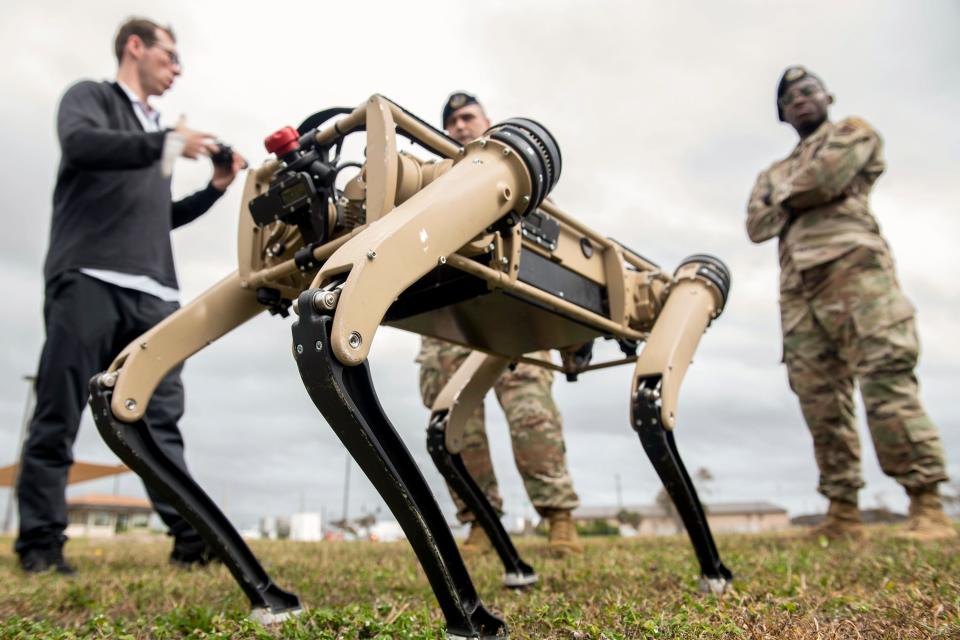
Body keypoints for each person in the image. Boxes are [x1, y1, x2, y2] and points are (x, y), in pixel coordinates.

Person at [15, 17, 247, 573]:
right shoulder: (90, 99)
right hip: (89, 278)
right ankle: (41, 544)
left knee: (159, 420)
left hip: (154, 293)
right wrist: (166, 140)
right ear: (135, 48)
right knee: (59, 411)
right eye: (169, 56)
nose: (178, 68)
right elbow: (80, 144)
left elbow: (156, 218)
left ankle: (191, 540)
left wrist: (215, 189)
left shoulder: (154, 133)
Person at [746, 66, 954, 541]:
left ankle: (927, 504)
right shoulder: (771, 171)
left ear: (827, 96)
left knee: (886, 378)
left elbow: (825, 178)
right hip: (798, 290)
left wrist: (785, 197)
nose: (799, 100)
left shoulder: (852, 132)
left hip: (855, 272)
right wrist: (794, 192)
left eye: (807, 91)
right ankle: (842, 512)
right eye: (789, 98)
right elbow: (757, 226)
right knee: (819, 397)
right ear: (781, 114)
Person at [416, 91, 582, 555]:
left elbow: (556, 248)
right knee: (454, 421)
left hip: (515, 311)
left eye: (468, 117)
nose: (459, 126)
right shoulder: (434, 183)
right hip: (448, 311)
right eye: (451, 123)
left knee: (532, 414)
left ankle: (559, 518)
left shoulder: (523, 178)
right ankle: (480, 520)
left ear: (488, 121)